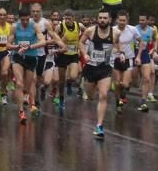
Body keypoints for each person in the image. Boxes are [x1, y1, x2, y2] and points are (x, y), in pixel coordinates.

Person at [79, 8, 120, 139]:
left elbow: (118, 46)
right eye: (100, 18)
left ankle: (99, 126)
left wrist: (120, 53)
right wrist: (85, 53)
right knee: (91, 96)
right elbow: (80, 42)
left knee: (103, 95)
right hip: (91, 68)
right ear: (97, 19)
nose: (102, 20)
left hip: (105, 68)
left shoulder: (116, 33)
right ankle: (89, 94)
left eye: (105, 18)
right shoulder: (91, 31)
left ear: (110, 20)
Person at [8, 7, 46, 124]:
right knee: (19, 83)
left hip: (31, 57)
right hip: (18, 57)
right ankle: (21, 112)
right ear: (19, 19)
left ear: (29, 18)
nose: (25, 22)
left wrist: (29, 47)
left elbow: (43, 42)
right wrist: (17, 47)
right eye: (22, 20)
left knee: (28, 86)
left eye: (26, 19)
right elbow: (8, 45)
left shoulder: (34, 26)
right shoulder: (15, 27)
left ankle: (27, 98)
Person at [112, 11, 139, 114]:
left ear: (127, 20)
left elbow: (141, 41)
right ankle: (118, 104)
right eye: (120, 20)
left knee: (126, 84)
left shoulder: (133, 30)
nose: (122, 22)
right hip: (115, 59)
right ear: (117, 20)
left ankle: (123, 94)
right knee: (117, 83)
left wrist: (139, 55)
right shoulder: (112, 30)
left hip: (128, 59)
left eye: (124, 20)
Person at [55, 10, 82, 110]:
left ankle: (70, 82)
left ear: (73, 18)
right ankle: (61, 98)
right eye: (65, 18)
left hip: (73, 55)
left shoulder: (79, 26)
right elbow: (54, 39)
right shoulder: (60, 27)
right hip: (62, 55)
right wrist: (62, 41)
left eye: (69, 19)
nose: (67, 21)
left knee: (74, 76)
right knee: (61, 81)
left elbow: (88, 32)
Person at [135, 13, 158, 111]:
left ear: (147, 21)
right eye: (140, 20)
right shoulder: (134, 29)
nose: (141, 22)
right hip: (134, 53)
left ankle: (143, 101)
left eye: (143, 20)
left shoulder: (152, 30)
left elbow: (154, 40)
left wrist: (154, 49)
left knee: (147, 78)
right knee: (130, 80)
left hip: (145, 54)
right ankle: (121, 97)